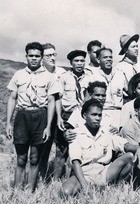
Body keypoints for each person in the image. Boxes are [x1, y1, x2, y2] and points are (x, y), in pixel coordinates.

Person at [6, 42, 59, 191]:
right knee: (21, 158)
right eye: (31, 56)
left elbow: (51, 102)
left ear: (41, 57)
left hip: (40, 116)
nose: (34, 59)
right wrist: (8, 123)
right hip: (22, 115)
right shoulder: (19, 75)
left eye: (37, 56)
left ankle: (30, 191)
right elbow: (12, 98)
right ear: (26, 57)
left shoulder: (50, 77)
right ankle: (17, 191)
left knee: (35, 158)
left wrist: (48, 126)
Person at [61, 99, 140, 196]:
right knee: (65, 192)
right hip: (84, 173)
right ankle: (90, 189)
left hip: (104, 172)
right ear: (84, 116)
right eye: (93, 115)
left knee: (129, 156)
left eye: (99, 115)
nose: (97, 118)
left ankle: (117, 189)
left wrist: (137, 149)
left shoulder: (107, 131)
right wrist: (85, 186)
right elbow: (75, 162)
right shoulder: (75, 134)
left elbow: (124, 144)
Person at [55, 49, 94, 180]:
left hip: (82, 115)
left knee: (78, 148)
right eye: (76, 61)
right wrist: (59, 117)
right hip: (67, 114)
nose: (79, 63)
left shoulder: (89, 78)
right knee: (61, 150)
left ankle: (73, 178)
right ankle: (56, 179)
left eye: (82, 61)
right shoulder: (64, 77)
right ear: (71, 63)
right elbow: (58, 99)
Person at [39, 43, 66, 181]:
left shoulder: (62, 72)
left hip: (61, 114)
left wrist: (61, 116)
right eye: (48, 55)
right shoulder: (39, 72)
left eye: (54, 54)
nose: (52, 58)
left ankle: (57, 179)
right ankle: (41, 178)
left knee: (61, 148)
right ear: (42, 57)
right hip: (44, 113)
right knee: (43, 148)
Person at [109, 34, 140, 108]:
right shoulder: (120, 67)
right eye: (133, 47)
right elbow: (116, 90)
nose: (136, 49)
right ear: (126, 50)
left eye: (137, 46)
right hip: (128, 102)